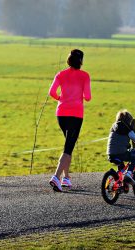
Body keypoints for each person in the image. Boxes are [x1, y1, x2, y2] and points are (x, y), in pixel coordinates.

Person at [48, 49, 91, 192]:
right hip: (76, 114)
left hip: (61, 113)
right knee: (68, 148)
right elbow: (88, 96)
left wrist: (61, 99)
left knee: (69, 145)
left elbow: (52, 92)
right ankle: (56, 176)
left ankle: (66, 178)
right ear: (81, 61)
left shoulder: (60, 74)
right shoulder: (84, 76)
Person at [106, 110, 135, 184]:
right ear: (128, 120)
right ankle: (129, 174)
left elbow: (118, 140)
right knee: (134, 157)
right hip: (120, 153)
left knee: (121, 166)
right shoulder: (126, 127)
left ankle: (119, 181)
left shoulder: (114, 126)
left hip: (110, 154)